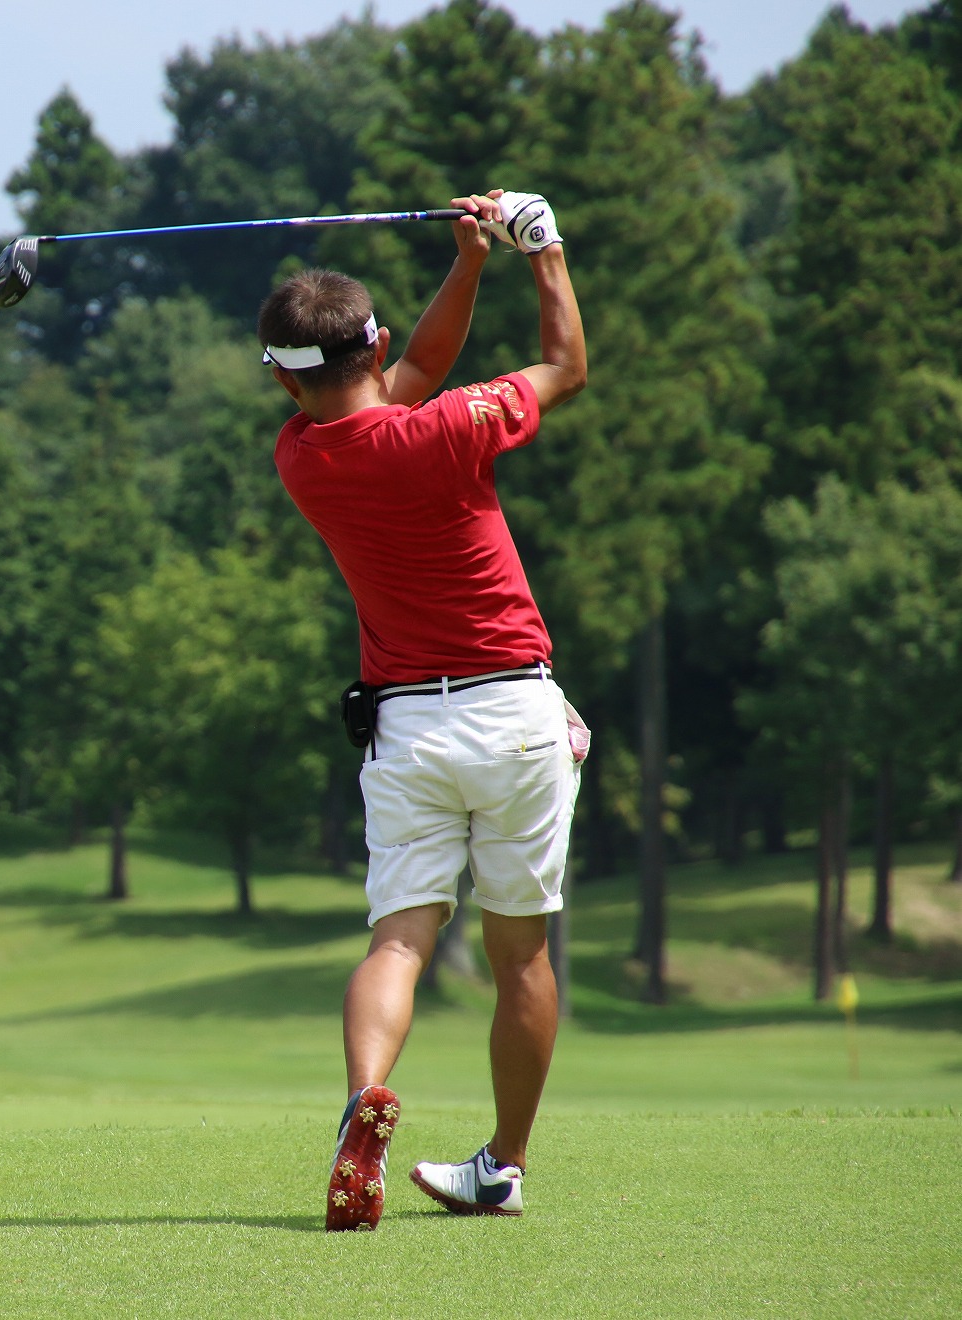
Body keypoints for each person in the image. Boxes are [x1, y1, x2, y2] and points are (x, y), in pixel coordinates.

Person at [259, 190, 587, 1231]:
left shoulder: (302, 459)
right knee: (520, 954)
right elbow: (565, 366)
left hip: (410, 727)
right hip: (516, 718)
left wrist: (467, 261)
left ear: (280, 374)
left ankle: (365, 1097)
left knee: (397, 943)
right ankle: (503, 1164)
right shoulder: (452, 431)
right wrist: (539, 249)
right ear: (377, 340)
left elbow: (395, 383)